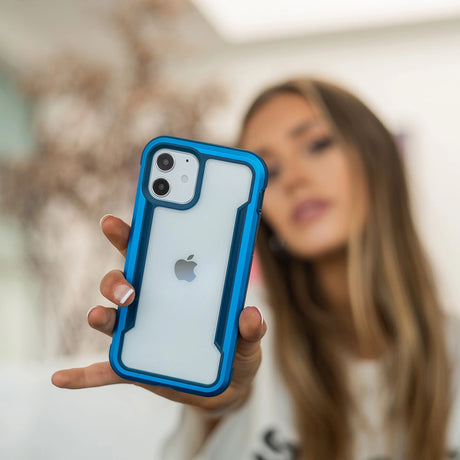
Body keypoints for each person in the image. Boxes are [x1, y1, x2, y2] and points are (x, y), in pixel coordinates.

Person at [52, 78, 460, 460]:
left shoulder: (453, 346)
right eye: (271, 171)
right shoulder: (240, 333)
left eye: (317, 145)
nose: (295, 180)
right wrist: (217, 411)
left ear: (377, 159)